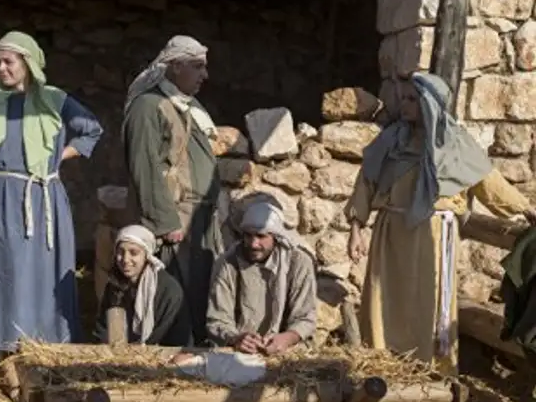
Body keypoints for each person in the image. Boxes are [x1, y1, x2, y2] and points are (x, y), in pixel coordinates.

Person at [345, 72, 536, 376]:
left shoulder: (457, 145)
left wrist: (526, 209)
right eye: (403, 98)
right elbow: (365, 183)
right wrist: (356, 229)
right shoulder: (391, 140)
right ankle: (382, 362)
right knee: (386, 297)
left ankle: (429, 368)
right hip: (391, 233)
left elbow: (490, 184)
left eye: (411, 99)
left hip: (433, 235)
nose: (403, 105)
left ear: (429, 104)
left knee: (429, 301)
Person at [0, 31, 103, 353]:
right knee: (6, 271)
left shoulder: (56, 100)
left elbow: (91, 129)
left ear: (27, 64)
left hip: (43, 196)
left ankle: (50, 346)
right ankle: (7, 349)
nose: (2, 68)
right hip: (1, 199)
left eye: (8, 61)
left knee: (45, 271)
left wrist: (59, 156)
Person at [122, 35, 222, 345]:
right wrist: (164, 220)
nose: (205, 75)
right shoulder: (147, 107)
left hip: (199, 217)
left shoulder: (184, 106)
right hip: (177, 220)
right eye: (198, 67)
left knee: (200, 292)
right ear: (176, 67)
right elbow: (145, 166)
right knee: (178, 294)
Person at [207, 201, 317, 355]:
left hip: (286, 353)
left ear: (275, 237)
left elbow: (305, 318)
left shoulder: (298, 263)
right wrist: (236, 338)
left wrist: (286, 339)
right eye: (248, 235)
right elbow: (217, 319)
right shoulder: (227, 264)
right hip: (239, 352)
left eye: (260, 236)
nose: (253, 244)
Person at [93, 225, 193, 347]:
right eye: (120, 252)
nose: (125, 259)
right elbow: (103, 328)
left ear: (146, 255)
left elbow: (172, 334)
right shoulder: (114, 285)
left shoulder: (167, 288)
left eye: (133, 253)